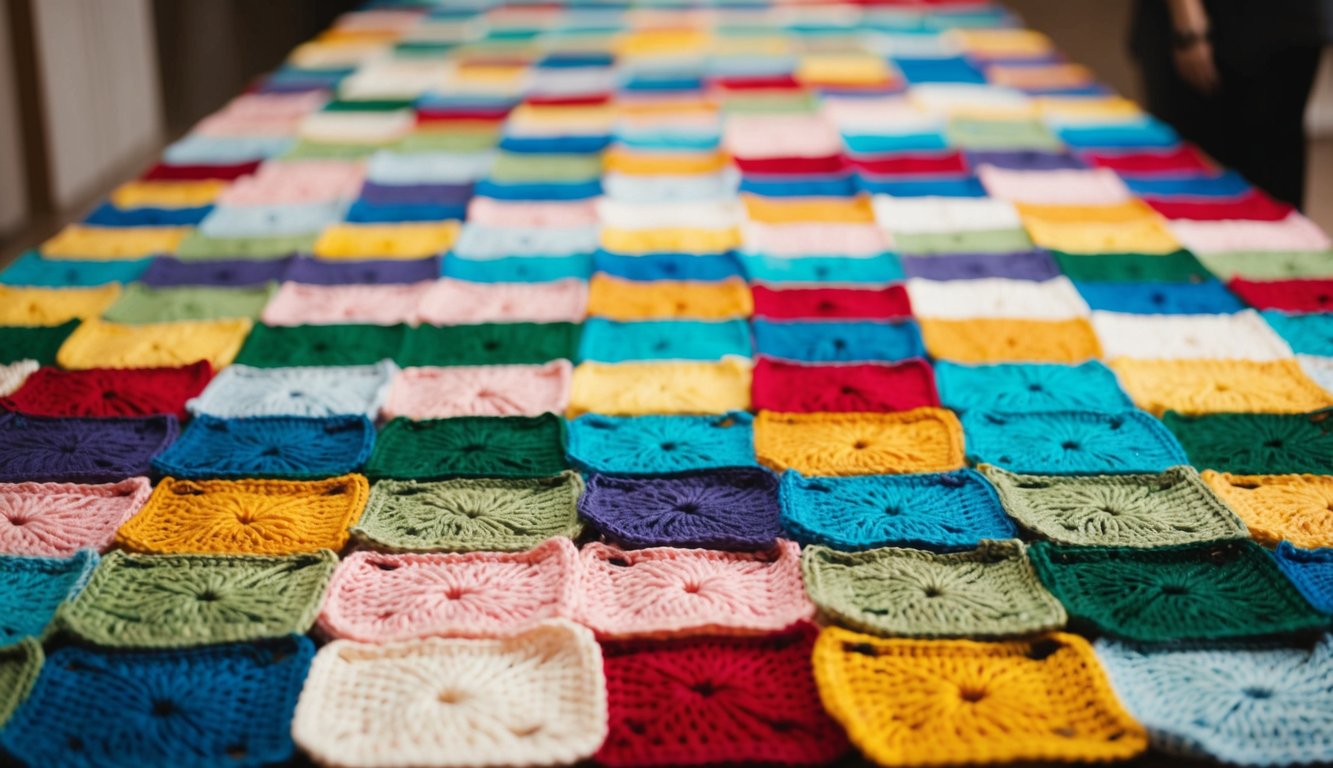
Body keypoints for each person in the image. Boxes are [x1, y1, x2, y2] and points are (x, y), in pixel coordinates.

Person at [1129, 0, 1326, 209]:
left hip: (1289, 26)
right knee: (1191, 187)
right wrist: (1187, 22)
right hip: (1206, 23)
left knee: (1276, 188)